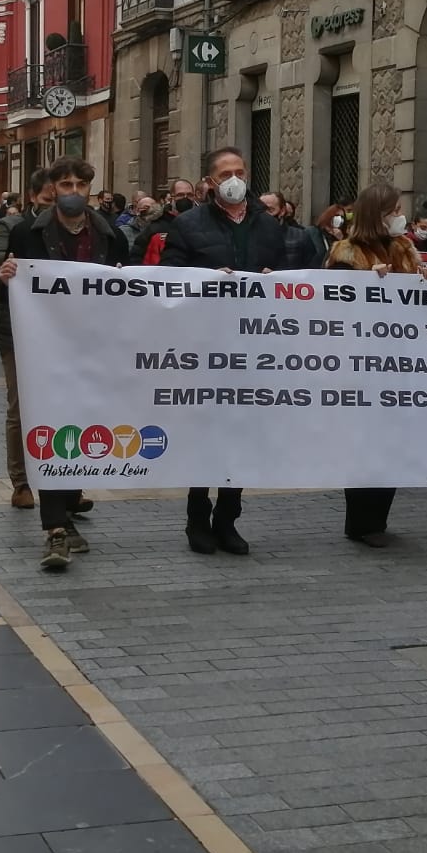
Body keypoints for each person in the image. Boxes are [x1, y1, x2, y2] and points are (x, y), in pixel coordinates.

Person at [0, 156, 123, 572]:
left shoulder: (110, 235)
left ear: (91, 188)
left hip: (88, 344)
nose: (72, 191)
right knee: (43, 418)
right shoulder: (24, 233)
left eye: (79, 185)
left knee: (80, 418)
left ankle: (67, 501)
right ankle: (55, 525)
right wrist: (5, 272)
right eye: (64, 184)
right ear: (52, 189)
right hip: (36, 344)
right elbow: (0, 285)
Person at [162, 147, 287, 555]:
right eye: (225, 173)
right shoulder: (188, 225)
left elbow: (290, 272)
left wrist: (274, 280)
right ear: (210, 183)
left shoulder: (267, 225)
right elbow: (169, 278)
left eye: (240, 171)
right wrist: (204, 280)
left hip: (254, 347)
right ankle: (197, 517)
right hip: (205, 346)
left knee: (240, 435)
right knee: (205, 433)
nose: (234, 178)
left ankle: (228, 518)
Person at [325, 182, 427, 547]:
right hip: (360, 363)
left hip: (401, 361)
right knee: (363, 442)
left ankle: (379, 518)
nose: (400, 217)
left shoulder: (406, 248)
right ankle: (360, 522)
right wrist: (366, 283)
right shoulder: (346, 251)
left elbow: (420, 302)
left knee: (393, 441)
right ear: (378, 214)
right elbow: (332, 303)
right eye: (393, 211)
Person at [0, 168, 55, 505]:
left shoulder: (81, 230)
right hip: (17, 328)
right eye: (47, 199)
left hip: (63, 334)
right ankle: (21, 481)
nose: (53, 205)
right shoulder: (11, 227)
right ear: (33, 197)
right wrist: (5, 268)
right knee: (20, 407)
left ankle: (67, 484)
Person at [139, 177, 196, 265]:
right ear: (171, 198)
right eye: (180, 195)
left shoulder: (204, 224)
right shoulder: (155, 228)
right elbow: (138, 257)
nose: (185, 198)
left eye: (189, 195)